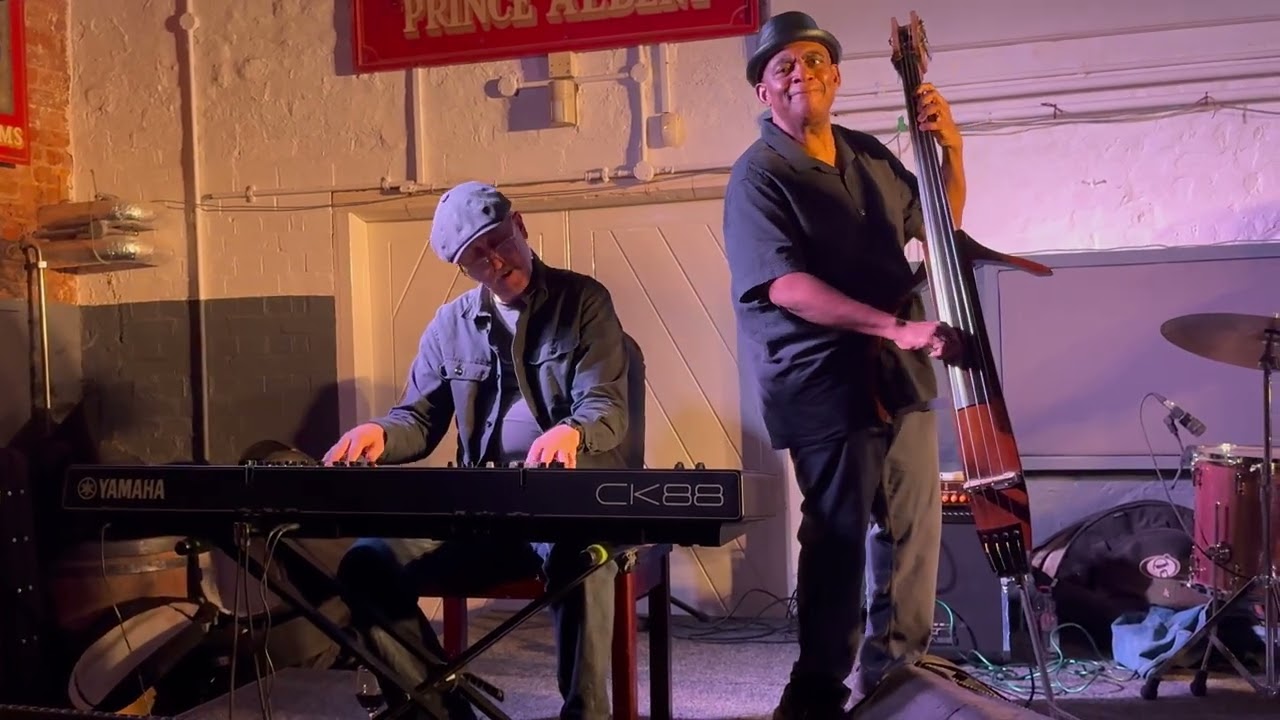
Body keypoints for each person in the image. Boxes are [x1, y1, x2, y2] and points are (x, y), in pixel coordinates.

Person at [723, 11, 973, 719]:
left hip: (899, 374)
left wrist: (950, 150)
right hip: (822, 384)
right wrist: (897, 326)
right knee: (836, 544)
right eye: (783, 67)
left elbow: (938, 225)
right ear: (764, 93)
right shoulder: (759, 175)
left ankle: (896, 684)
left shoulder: (866, 154)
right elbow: (785, 286)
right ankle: (813, 698)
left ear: (835, 74)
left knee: (915, 538)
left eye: (813, 60)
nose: (801, 72)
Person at [324, 181, 631, 720]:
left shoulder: (584, 301)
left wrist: (571, 433)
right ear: (464, 268)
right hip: (482, 511)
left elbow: (605, 404)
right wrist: (379, 433)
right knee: (366, 562)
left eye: (500, 243)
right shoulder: (450, 325)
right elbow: (417, 420)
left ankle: (586, 716)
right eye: (476, 258)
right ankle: (438, 710)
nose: (496, 262)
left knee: (583, 559)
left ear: (521, 227)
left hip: (562, 511)